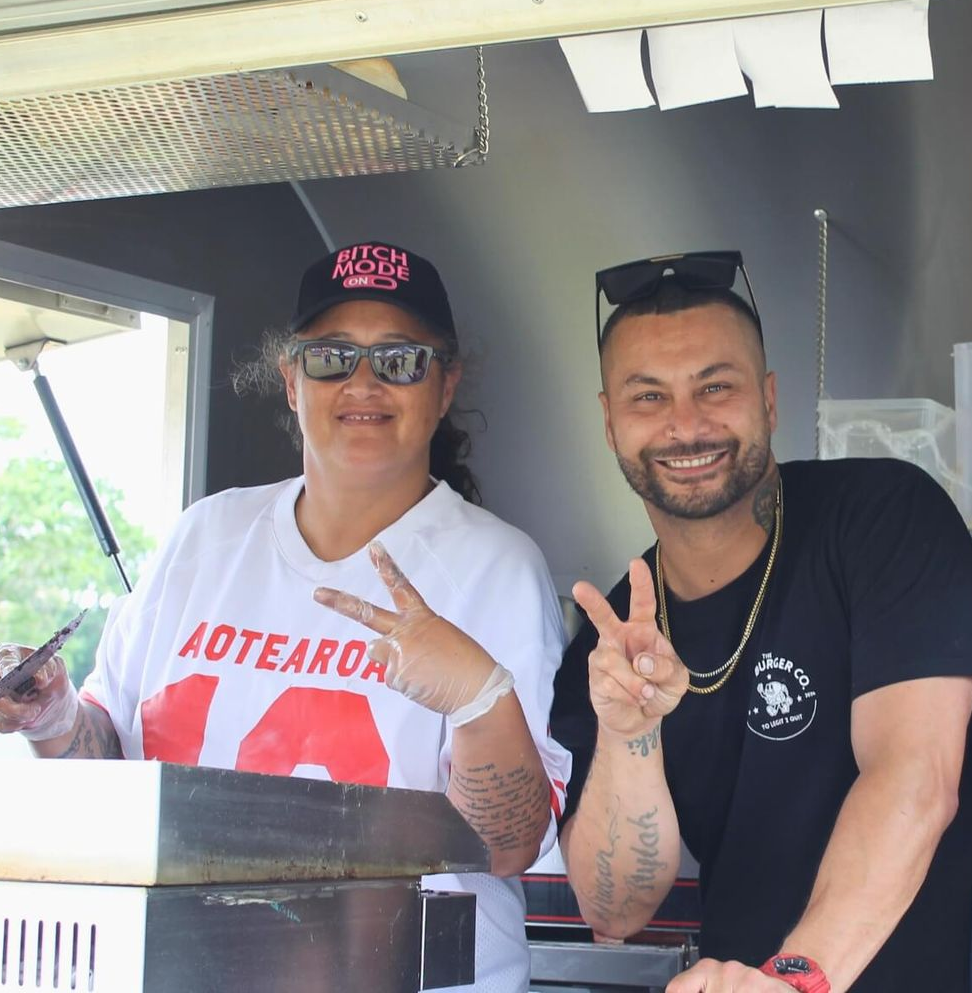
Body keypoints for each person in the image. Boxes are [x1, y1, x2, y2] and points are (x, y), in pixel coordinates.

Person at [0, 240, 570, 993]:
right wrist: (51, 714)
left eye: (399, 359)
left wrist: (477, 698)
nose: (363, 382)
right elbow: (113, 768)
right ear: (292, 380)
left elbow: (510, 845)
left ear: (444, 384)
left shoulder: (495, 567)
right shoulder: (203, 537)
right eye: (331, 356)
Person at [550, 251, 972, 992]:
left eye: (715, 387)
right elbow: (615, 909)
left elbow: (915, 777)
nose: (686, 426)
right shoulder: (618, 636)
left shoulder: (881, 517)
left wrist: (795, 978)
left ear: (770, 400)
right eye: (648, 397)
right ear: (608, 422)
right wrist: (632, 739)